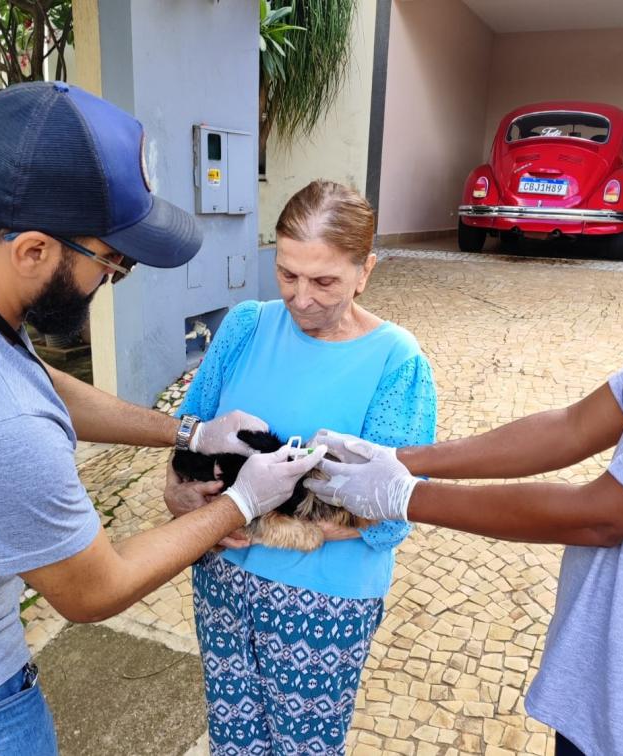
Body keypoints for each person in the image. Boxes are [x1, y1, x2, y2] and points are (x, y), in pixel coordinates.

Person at [0, 81, 325, 755]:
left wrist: (189, 432)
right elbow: (94, 590)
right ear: (33, 251)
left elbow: (30, 378)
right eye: (113, 261)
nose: (115, 276)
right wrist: (242, 503)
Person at [304, 109, 623, 756]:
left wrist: (403, 495)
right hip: (602, 697)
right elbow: (577, 423)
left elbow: (601, 516)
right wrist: (401, 457)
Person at [165, 180, 437, 755]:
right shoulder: (244, 325)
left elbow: (392, 516)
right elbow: (189, 428)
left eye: (324, 280)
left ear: (366, 270)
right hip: (223, 581)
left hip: (321, 599)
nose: (301, 297)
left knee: (304, 747)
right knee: (233, 738)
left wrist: (261, 521)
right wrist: (180, 494)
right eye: (287, 274)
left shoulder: (396, 361)